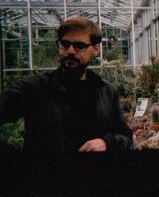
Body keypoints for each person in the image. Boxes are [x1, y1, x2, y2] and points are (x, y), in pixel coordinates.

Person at [0, 17, 133, 153]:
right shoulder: (35, 88)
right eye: (65, 44)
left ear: (95, 49)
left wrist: (107, 143)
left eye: (79, 46)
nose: (70, 51)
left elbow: (126, 137)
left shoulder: (106, 92)